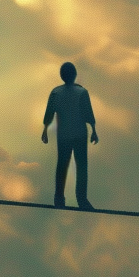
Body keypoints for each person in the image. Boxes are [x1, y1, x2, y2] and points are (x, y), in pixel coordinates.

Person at [42, 62, 98, 209]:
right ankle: (81, 200)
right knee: (81, 166)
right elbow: (88, 114)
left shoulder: (56, 92)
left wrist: (45, 129)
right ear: (74, 75)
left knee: (62, 165)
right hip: (78, 134)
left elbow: (49, 114)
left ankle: (59, 198)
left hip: (65, 135)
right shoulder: (81, 92)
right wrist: (93, 130)